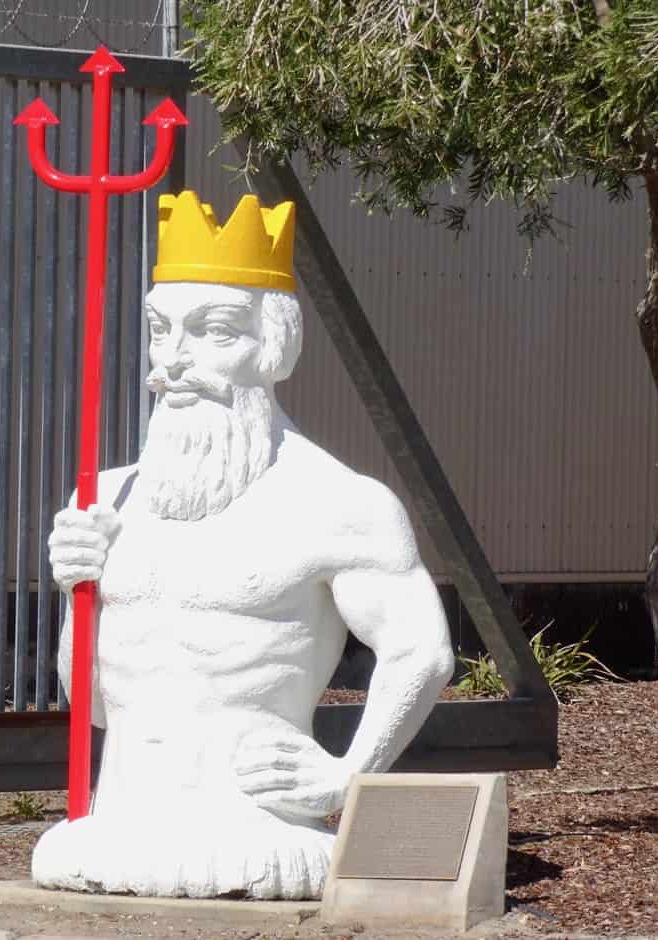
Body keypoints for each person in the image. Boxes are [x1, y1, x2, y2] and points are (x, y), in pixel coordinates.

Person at [31, 191, 454, 900]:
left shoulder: (339, 504)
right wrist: (81, 592)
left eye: (214, 332)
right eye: (161, 331)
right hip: (114, 823)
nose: (173, 361)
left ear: (275, 346)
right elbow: (95, 705)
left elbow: (422, 652)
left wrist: (349, 773)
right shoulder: (105, 499)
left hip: (262, 832)